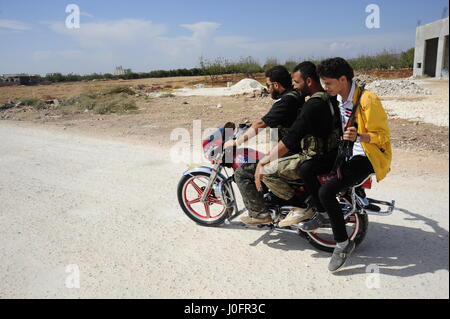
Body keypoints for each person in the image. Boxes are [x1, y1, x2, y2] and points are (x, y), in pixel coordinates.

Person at [299, 57, 392, 272]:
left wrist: (360, 136)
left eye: (328, 83)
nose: (324, 87)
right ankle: (322, 214)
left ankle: (343, 243)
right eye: (323, 83)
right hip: (346, 150)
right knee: (306, 168)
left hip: (366, 156)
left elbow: (383, 137)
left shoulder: (368, 100)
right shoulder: (339, 98)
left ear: (343, 79)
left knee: (326, 191)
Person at [254, 61, 340, 227]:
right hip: (332, 153)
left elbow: (291, 138)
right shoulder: (330, 98)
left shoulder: (312, 105)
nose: (294, 86)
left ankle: (300, 206)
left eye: (296, 82)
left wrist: (264, 161)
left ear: (309, 81)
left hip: (315, 157)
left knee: (267, 171)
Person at [223, 65, 305, 225]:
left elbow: (262, 123)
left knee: (242, 173)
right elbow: (268, 119)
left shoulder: (286, 101)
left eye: (268, 85)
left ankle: (259, 214)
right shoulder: (296, 96)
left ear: (276, 85)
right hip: (293, 149)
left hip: (290, 154)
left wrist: (237, 141)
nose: (267, 89)